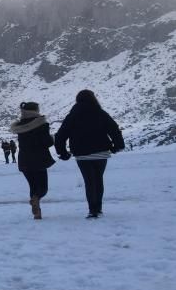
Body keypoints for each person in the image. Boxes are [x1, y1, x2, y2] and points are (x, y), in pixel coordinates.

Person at [54, 89, 125, 219]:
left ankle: (92, 210)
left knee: (89, 181)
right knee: (98, 179)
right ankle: (98, 209)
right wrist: (117, 146)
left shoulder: (73, 115)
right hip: (101, 152)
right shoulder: (100, 112)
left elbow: (60, 135)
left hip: (82, 154)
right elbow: (114, 129)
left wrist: (63, 153)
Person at [9, 102, 55, 220]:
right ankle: (35, 200)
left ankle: (37, 213)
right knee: (42, 188)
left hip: (24, 159)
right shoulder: (41, 123)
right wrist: (52, 138)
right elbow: (47, 142)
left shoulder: (20, 125)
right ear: (35, 110)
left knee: (33, 186)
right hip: (39, 159)